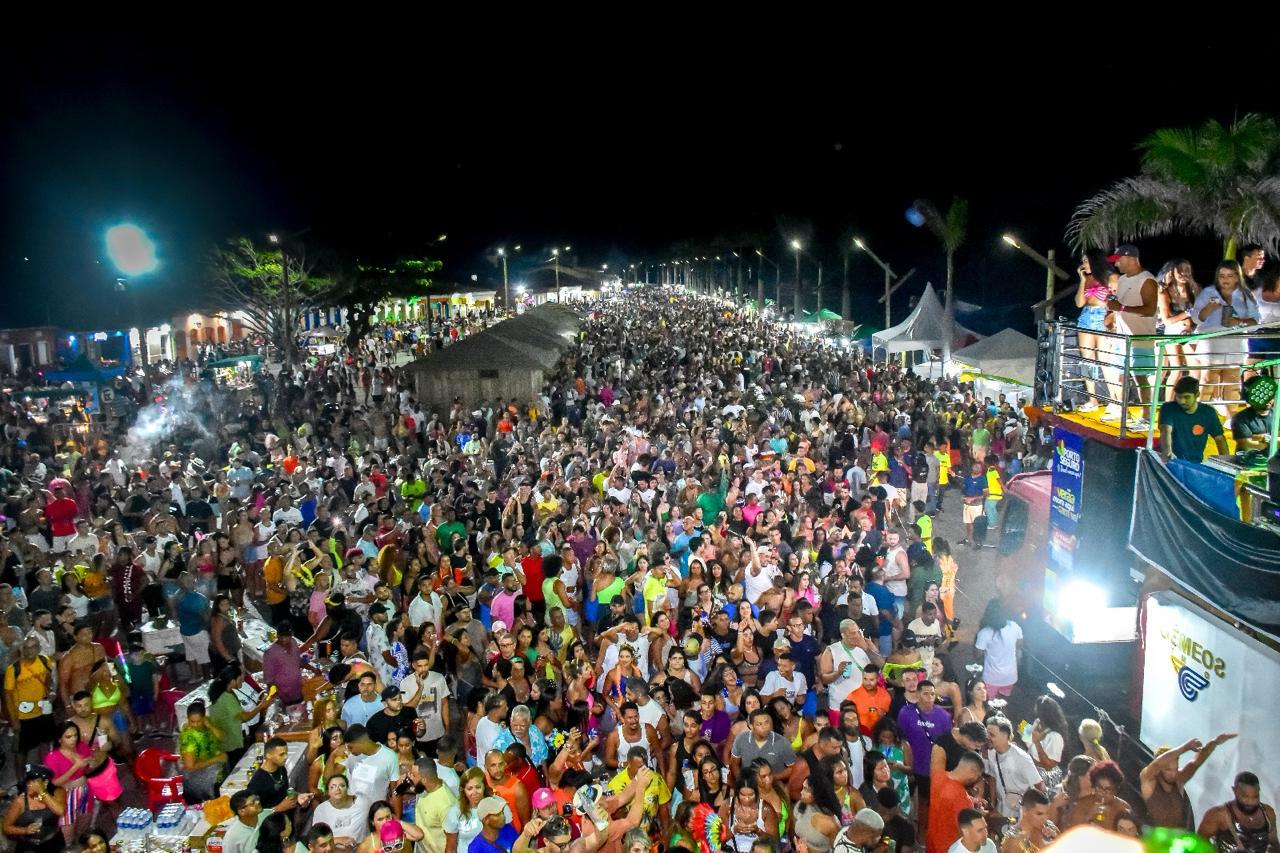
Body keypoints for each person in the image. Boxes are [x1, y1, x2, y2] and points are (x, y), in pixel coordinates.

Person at [1191, 260, 1262, 408]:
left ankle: (1232, 416)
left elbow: (1257, 320)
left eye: (1230, 275)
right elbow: (1195, 318)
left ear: (1237, 277)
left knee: (1233, 384)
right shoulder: (1208, 292)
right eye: (1222, 276)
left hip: (1235, 345)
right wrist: (1209, 308)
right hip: (1211, 344)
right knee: (1208, 381)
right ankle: (1200, 414)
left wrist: (1239, 321)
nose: (1225, 279)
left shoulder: (1245, 295)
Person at [1141, 733, 1236, 831]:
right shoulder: (1148, 778)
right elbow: (1156, 765)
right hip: (1154, 835)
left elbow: (1196, 762)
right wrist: (1186, 747)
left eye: (1176, 768)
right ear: (1159, 769)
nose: (1173, 773)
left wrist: (1214, 742)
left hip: (1177, 835)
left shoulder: (1179, 779)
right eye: (1168, 770)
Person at [1198, 771, 1280, 853]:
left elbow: (1274, 843)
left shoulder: (1268, 812)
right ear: (1235, 791)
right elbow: (1199, 844)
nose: (1250, 802)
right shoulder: (1218, 814)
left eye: (1255, 797)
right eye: (1245, 797)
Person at [1159, 376, 1228, 463]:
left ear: (1197, 395)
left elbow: (1220, 439)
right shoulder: (1168, 408)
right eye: (1179, 397)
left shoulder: (1208, 412)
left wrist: (1225, 462)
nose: (1182, 401)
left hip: (1195, 463)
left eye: (1186, 397)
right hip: (1172, 461)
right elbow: (1166, 430)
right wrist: (1167, 450)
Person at [985, 717, 1043, 821]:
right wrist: (992, 804)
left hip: (1021, 815)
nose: (988, 737)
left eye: (992, 735)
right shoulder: (991, 753)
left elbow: (1039, 786)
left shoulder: (1022, 758)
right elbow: (993, 777)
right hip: (1001, 811)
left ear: (1005, 735)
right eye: (987, 734)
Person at [927, 751, 984, 853]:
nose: (976, 779)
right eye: (977, 775)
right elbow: (968, 831)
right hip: (950, 848)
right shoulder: (962, 798)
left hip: (932, 844)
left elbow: (946, 799)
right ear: (972, 771)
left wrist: (972, 800)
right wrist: (980, 814)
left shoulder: (938, 775)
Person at [2, 765, 65, 853]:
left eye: (34, 782)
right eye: (28, 782)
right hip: (28, 846)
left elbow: (60, 811)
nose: (29, 785)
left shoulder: (57, 792)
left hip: (53, 841)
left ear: (45, 782)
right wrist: (25, 830)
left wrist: (42, 792)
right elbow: (6, 827)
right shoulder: (20, 800)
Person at [178, 700, 228, 803]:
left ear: (204, 718)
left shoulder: (208, 723)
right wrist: (216, 759)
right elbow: (190, 767)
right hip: (199, 783)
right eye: (192, 721)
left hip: (215, 774)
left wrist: (210, 726)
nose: (196, 725)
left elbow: (222, 737)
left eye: (199, 721)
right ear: (187, 718)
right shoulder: (188, 737)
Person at [973, 600, 1021, 700]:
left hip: (992, 678)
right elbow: (1019, 644)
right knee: (1002, 703)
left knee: (987, 702)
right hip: (1010, 677)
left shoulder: (985, 633)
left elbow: (977, 654)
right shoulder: (1014, 626)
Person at [311, 774, 371, 848]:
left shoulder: (363, 803)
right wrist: (338, 840)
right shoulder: (321, 810)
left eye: (342, 786)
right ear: (327, 792)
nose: (337, 789)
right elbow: (316, 838)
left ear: (347, 789)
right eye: (333, 787)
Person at [413, 759, 458, 853]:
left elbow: (452, 846)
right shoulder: (423, 789)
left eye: (414, 775)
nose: (410, 778)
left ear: (424, 780)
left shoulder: (447, 804)